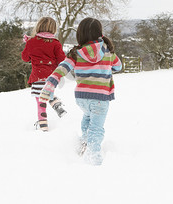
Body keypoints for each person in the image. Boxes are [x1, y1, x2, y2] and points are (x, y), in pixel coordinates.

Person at [39, 17, 122, 165]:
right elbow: (118, 67)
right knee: (96, 128)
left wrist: (50, 84)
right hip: (100, 98)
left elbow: (61, 70)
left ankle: (83, 144)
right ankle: (93, 157)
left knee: (87, 118)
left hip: (82, 98)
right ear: (99, 33)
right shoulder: (108, 51)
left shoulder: (76, 53)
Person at [21, 17, 67, 132]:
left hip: (37, 76)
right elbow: (62, 59)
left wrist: (29, 45)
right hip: (52, 77)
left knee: (40, 102)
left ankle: (43, 127)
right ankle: (56, 103)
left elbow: (25, 58)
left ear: (39, 26)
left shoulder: (31, 42)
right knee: (48, 92)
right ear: (53, 29)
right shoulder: (55, 43)